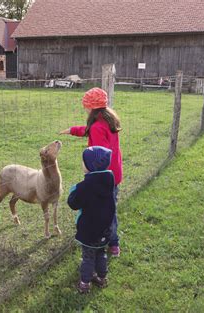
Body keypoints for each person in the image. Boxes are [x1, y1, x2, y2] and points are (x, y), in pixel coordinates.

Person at [60, 87, 123, 257]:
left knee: (100, 210)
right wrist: (72, 130)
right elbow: (89, 130)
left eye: (86, 106)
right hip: (113, 175)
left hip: (101, 177)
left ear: (92, 108)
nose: (85, 109)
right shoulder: (108, 121)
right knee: (110, 208)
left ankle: (107, 241)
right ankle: (112, 242)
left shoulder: (97, 126)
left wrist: (91, 176)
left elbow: (99, 154)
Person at [68, 146, 116, 294]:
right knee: (101, 253)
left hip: (89, 232)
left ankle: (85, 283)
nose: (82, 164)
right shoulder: (109, 180)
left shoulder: (85, 187)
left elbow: (73, 203)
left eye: (83, 162)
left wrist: (73, 192)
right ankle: (102, 278)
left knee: (88, 258)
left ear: (90, 166)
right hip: (105, 230)